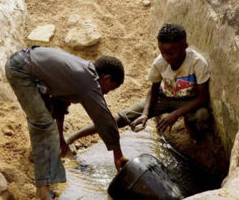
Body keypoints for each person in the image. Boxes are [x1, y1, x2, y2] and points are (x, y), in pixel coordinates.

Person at [5, 46, 128, 200]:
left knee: (46, 115)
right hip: (21, 70)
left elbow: (59, 105)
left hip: (25, 63)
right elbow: (103, 118)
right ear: (106, 78)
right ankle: (42, 192)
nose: (107, 92)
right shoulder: (88, 81)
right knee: (43, 124)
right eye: (111, 88)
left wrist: (61, 140)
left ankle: (38, 156)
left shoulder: (80, 75)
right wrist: (118, 154)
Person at [66, 23, 212, 145]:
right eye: (163, 53)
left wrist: (175, 114)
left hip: (188, 102)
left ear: (184, 46)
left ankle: (195, 141)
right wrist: (145, 114)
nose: (167, 57)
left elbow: (202, 98)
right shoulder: (160, 63)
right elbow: (153, 90)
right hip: (164, 98)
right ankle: (73, 137)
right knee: (121, 118)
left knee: (202, 115)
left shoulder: (197, 63)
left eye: (171, 54)